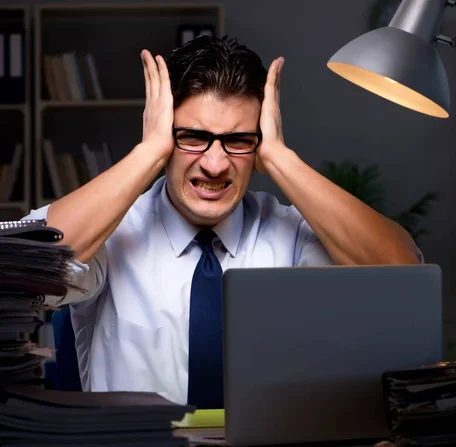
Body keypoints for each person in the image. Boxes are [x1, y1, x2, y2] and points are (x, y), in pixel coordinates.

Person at [23, 35, 423, 406]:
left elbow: (406, 280)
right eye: (192, 137)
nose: (215, 165)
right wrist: (148, 153)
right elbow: (22, 266)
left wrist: (281, 160)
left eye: (238, 141)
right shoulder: (112, 233)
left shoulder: (292, 235)